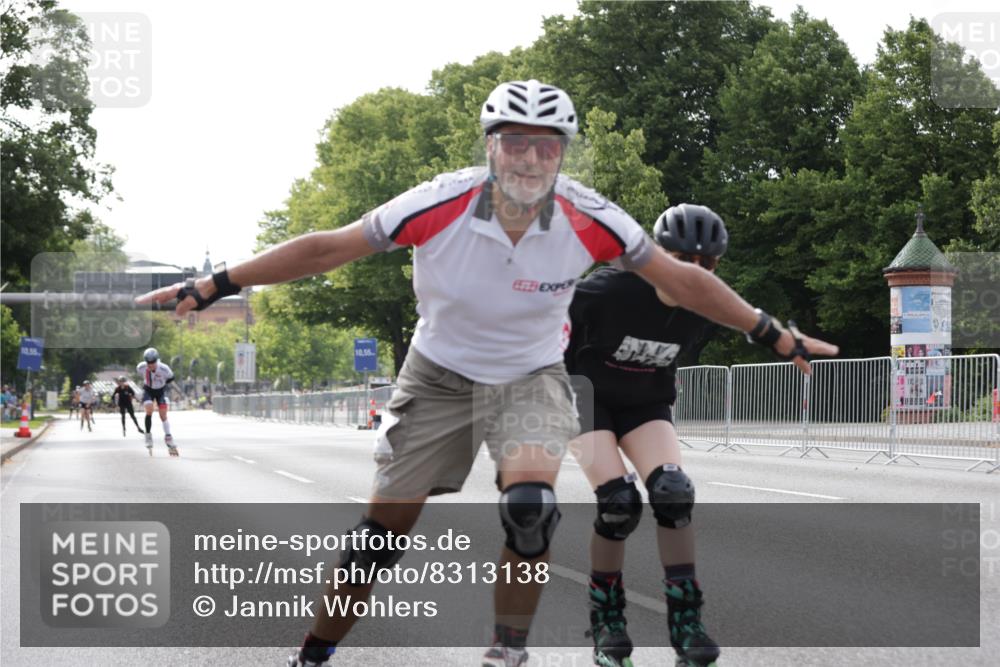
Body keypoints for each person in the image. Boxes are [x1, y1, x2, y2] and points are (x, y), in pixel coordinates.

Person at [137, 79, 837, 667]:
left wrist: (771, 332)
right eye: (515, 141)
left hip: (531, 377)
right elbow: (327, 248)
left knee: (530, 511)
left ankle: (506, 653)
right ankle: (310, 657)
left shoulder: (592, 217)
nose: (530, 157)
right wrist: (217, 282)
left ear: (563, 153)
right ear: (491, 146)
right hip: (438, 374)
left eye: (547, 144)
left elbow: (684, 281)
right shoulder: (436, 203)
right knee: (378, 538)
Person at [566, 204, 748, 667]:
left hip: (645, 400)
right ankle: (607, 619)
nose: (693, 272)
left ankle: (686, 622)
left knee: (673, 495)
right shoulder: (606, 291)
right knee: (618, 504)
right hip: (586, 398)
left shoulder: (706, 306)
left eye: (705, 265)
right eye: (681, 259)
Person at [136, 347, 178, 456]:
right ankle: (148, 435)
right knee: (149, 409)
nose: (150, 365)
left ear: (157, 360)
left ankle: (168, 437)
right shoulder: (141, 367)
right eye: (148, 363)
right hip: (148, 390)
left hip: (160, 391)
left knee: (163, 415)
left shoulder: (164, 368)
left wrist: (162, 381)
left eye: (153, 362)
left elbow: (172, 377)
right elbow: (141, 375)